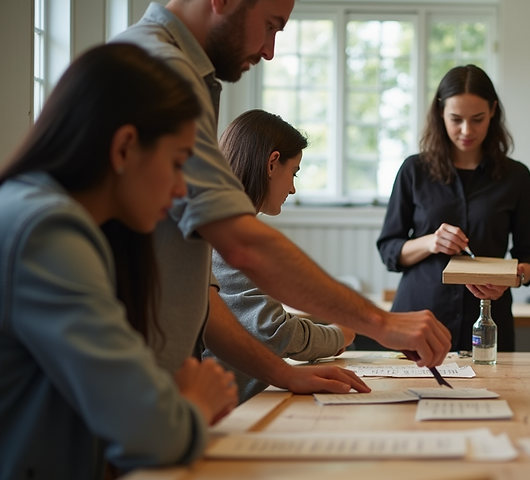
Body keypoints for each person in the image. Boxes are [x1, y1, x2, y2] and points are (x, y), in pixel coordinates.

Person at [111, 0, 451, 395]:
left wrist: (284, 374)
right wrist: (381, 322)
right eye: (271, 25)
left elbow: (204, 302)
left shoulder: (169, 67)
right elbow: (243, 246)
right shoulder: (163, 71)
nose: (269, 51)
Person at [0, 44, 239, 480]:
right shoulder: (49, 231)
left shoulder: (34, 209)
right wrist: (195, 403)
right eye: (177, 163)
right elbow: (151, 431)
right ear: (125, 147)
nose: (182, 190)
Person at [377, 65, 530, 352]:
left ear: (493, 111)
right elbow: (389, 249)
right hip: (418, 317)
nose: (467, 130)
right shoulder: (414, 170)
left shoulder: (516, 177)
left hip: (488, 322)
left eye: (477, 119)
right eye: (456, 119)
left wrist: (513, 277)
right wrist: (430, 242)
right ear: (440, 112)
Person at [207, 109, 363, 400]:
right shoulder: (228, 234)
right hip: (224, 405)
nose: (292, 188)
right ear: (272, 163)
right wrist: (339, 334)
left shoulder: (222, 225)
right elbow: (274, 331)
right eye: (293, 173)